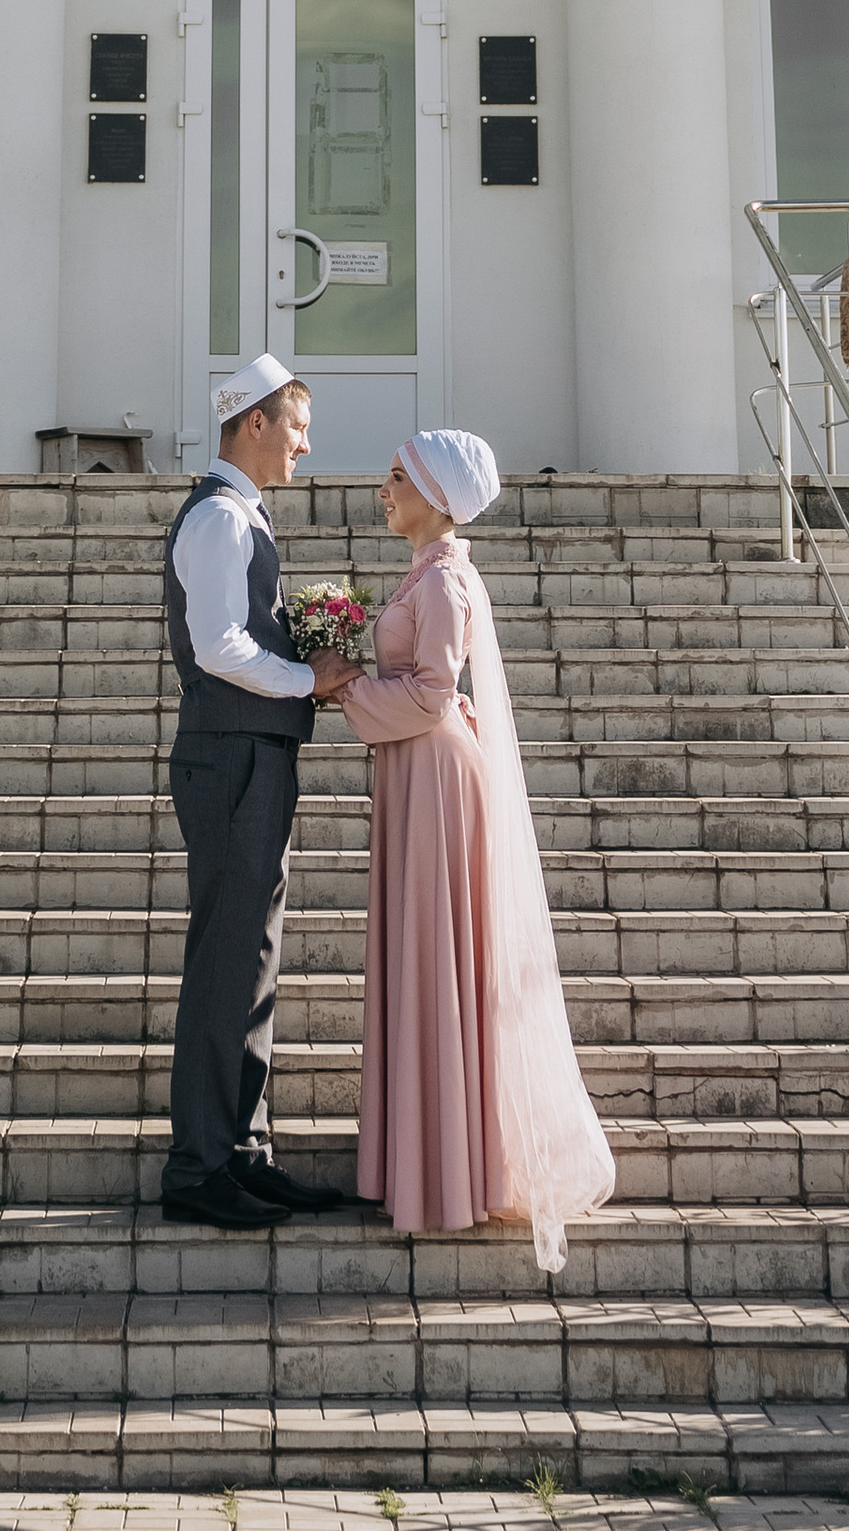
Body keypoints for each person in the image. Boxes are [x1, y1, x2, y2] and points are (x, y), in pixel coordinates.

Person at [327, 427, 615, 1263]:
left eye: (396, 478)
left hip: (435, 771)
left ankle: (448, 1172)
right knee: (426, 957)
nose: (384, 490)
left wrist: (344, 687)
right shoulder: (429, 573)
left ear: (434, 494)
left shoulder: (446, 579)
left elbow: (428, 695)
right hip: (419, 769)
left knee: (436, 956)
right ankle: (432, 1162)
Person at [158, 352, 357, 1227]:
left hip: (253, 754)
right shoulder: (219, 521)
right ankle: (198, 1167)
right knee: (227, 958)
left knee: (254, 956)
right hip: (230, 754)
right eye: (298, 428)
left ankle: (244, 1149)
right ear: (256, 424)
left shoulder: (243, 517)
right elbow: (219, 649)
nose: (305, 447)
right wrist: (304, 679)